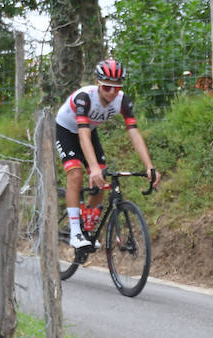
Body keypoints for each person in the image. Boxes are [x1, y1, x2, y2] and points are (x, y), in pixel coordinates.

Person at [54, 58, 162, 250]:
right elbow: (83, 134)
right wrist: (93, 167)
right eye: (107, 87)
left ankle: (86, 228)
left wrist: (149, 166)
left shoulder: (122, 101)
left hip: (89, 131)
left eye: (117, 87)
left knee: (101, 182)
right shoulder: (85, 98)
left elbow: (134, 133)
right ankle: (75, 231)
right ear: (98, 83)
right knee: (76, 174)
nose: (112, 92)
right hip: (67, 130)